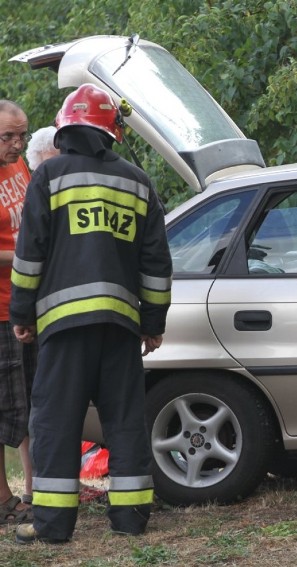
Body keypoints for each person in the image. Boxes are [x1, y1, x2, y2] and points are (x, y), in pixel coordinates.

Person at [10, 83, 172, 544]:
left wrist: (22, 312)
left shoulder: (50, 176)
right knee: (124, 422)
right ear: (110, 132)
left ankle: (53, 526)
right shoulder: (138, 182)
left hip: (62, 328)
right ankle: (131, 519)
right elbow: (157, 262)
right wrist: (153, 323)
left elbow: (30, 254)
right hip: (121, 327)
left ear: (65, 130)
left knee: (57, 423)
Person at [0, 100, 34, 527]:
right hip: (1, 307)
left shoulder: (18, 165)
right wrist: (25, 257)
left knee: (30, 401)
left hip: (25, 302)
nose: (16, 144)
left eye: (22, 135)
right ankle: (4, 499)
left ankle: (34, 489)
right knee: (6, 407)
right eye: (8, 137)